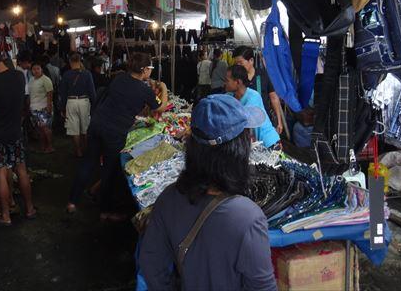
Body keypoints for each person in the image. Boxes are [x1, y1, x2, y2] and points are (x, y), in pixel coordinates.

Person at [139, 94, 277, 291]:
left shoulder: (168, 199)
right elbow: (263, 287)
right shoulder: (248, 218)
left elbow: (152, 265)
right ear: (238, 150)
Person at [67, 52, 169, 220]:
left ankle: (72, 202)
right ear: (144, 69)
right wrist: (163, 88)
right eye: (150, 68)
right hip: (114, 132)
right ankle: (105, 211)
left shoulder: (119, 78)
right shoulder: (144, 90)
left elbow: (125, 102)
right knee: (109, 171)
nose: (151, 71)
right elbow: (160, 107)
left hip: (97, 124)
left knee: (88, 162)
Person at [0, 50, 36, 226]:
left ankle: (5, 216)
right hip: (15, 131)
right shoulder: (19, 76)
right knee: (21, 170)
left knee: (0, 173)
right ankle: (30, 209)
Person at [233, 45, 284, 136]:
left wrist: (279, 121)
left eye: (240, 63)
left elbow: (273, 97)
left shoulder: (263, 75)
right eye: (236, 64)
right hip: (243, 125)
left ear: (251, 60)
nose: (238, 66)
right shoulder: (235, 79)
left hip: (263, 123)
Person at [225, 65, 280, 148]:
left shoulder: (253, 96)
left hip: (268, 142)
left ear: (238, 82)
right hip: (253, 144)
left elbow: (241, 118)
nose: (224, 83)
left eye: (227, 80)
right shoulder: (229, 96)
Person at [59, 53, 96, 157]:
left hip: (71, 101)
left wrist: (62, 107)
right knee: (85, 127)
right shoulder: (87, 74)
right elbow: (92, 92)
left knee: (74, 129)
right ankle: (86, 149)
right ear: (80, 61)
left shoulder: (66, 75)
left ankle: (78, 151)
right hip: (84, 101)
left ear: (70, 62)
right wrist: (94, 105)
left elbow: (63, 93)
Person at [29, 62, 55, 153]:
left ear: (41, 69)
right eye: (34, 69)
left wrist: (49, 107)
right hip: (34, 108)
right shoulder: (31, 80)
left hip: (43, 107)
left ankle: (49, 146)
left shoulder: (46, 80)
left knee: (46, 128)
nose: (36, 71)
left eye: (38, 69)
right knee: (40, 129)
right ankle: (43, 146)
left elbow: (50, 94)